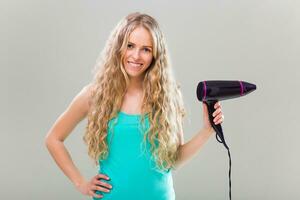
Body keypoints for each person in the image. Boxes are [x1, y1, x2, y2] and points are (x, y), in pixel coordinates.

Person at [45, 12, 224, 200]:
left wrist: (206, 131)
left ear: (156, 54)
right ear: (118, 47)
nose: (136, 56)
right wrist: (81, 183)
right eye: (130, 46)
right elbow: (53, 139)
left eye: (146, 49)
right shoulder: (95, 94)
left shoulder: (168, 96)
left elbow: (173, 160)